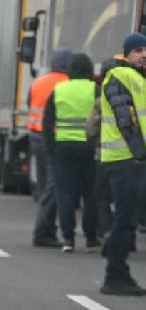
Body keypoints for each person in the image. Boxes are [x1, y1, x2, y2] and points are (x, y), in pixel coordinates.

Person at [97, 33, 146, 296]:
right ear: (127, 54)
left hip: (131, 157)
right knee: (124, 219)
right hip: (125, 158)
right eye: (137, 51)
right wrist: (139, 153)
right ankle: (115, 275)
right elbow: (126, 119)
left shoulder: (139, 77)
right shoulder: (119, 77)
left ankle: (120, 272)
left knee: (127, 218)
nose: (144, 54)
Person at [44, 53, 98, 252]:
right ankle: (91, 236)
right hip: (89, 147)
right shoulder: (95, 90)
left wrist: (52, 148)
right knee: (90, 192)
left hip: (64, 147)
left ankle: (68, 238)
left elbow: (47, 122)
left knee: (65, 193)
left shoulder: (59, 90)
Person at [29, 47, 73, 248]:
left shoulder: (38, 82)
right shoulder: (66, 84)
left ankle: (48, 229)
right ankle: (43, 232)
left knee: (44, 185)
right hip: (53, 137)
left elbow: (31, 103)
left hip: (35, 135)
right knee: (54, 185)